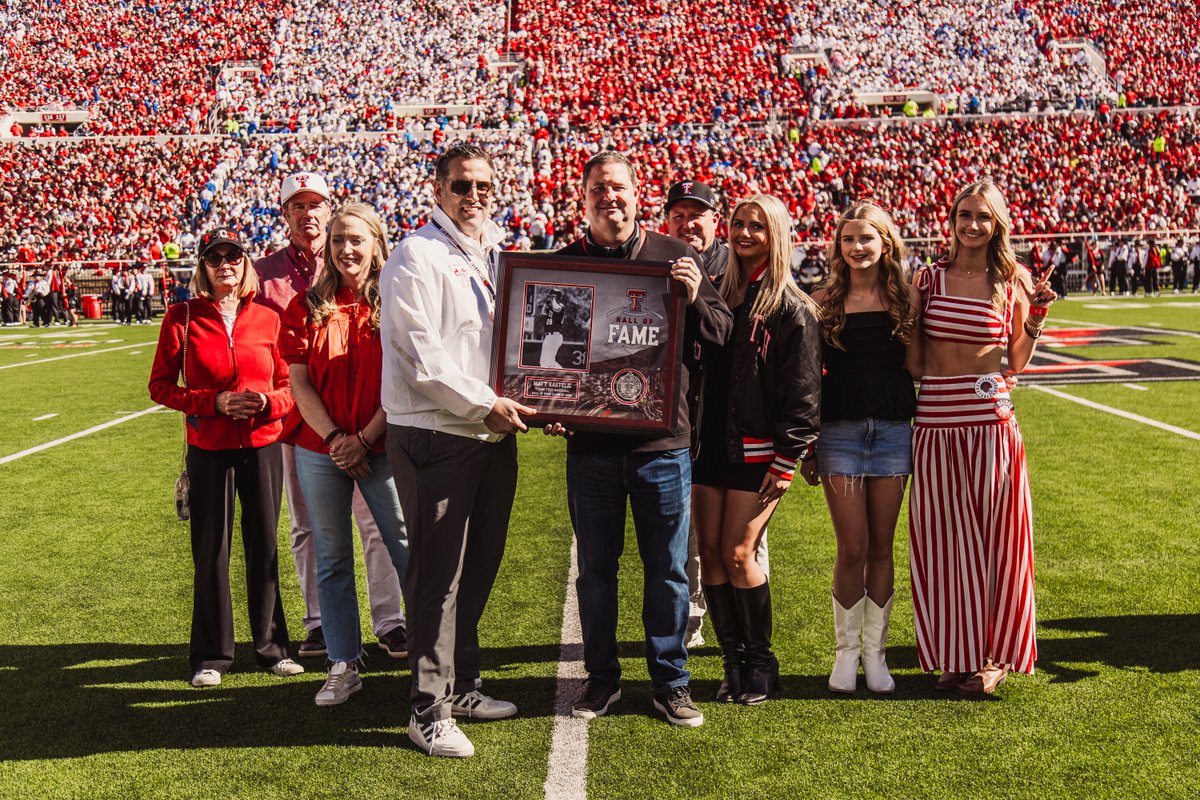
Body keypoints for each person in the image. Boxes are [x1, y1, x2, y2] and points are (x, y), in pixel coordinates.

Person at [552, 151, 732, 727]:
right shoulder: (563, 263)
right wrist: (546, 404)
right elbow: (544, 354)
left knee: (670, 570)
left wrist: (698, 290)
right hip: (592, 448)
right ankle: (602, 680)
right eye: (599, 188)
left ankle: (670, 681)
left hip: (662, 445)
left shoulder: (677, 255)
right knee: (596, 571)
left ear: (638, 194)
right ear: (583, 199)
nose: (611, 197)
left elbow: (721, 334)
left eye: (620, 187)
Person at [381, 143, 533, 758]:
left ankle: (463, 683)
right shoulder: (415, 254)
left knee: (479, 565)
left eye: (484, 186)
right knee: (437, 575)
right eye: (462, 185)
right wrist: (485, 404)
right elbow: (421, 359)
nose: (475, 196)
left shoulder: (497, 253)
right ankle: (428, 707)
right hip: (440, 430)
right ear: (438, 190)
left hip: (491, 433)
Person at [906, 180, 1056, 697]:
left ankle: (992, 656)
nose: (973, 225)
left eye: (984, 217)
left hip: (991, 419)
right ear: (952, 219)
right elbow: (915, 360)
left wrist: (1036, 315)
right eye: (965, 214)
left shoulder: (1013, 279)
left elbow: (1016, 361)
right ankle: (955, 652)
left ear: (998, 225)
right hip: (934, 418)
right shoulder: (925, 279)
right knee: (942, 541)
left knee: (996, 540)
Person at [254, 172, 408, 662]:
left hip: (373, 432)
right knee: (314, 532)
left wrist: (361, 437)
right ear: (286, 215)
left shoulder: (390, 289)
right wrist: (337, 436)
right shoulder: (270, 278)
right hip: (308, 428)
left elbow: (403, 370)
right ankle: (325, 631)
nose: (309, 214)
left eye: (315, 204)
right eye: (297, 206)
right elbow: (283, 364)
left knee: (387, 531)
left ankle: (393, 623)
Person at [148, 228, 304, 688]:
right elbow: (160, 386)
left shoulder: (270, 316)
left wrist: (266, 404)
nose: (225, 265)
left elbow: (290, 386)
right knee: (211, 550)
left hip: (262, 443)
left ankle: (272, 648)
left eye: (232, 257)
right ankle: (211, 656)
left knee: (264, 545)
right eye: (214, 258)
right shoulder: (181, 316)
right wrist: (210, 403)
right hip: (209, 448)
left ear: (245, 264)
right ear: (203, 267)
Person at [692, 194, 821, 706]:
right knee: (710, 558)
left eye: (757, 227)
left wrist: (787, 460)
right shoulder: (716, 295)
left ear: (777, 236)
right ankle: (733, 662)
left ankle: (761, 664)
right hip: (708, 449)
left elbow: (804, 397)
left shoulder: (793, 307)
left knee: (740, 554)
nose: (745, 234)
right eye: (739, 224)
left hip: (759, 451)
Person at [803, 203, 916, 694]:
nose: (857, 248)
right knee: (851, 548)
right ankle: (845, 654)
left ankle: (876, 655)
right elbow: (807, 379)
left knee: (882, 547)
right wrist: (807, 445)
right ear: (838, 247)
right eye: (848, 240)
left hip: (893, 431)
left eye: (867, 239)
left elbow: (918, 367)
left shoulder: (906, 298)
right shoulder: (822, 300)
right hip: (840, 434)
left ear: (885, 243)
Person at [665, 178, 770, 650]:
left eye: (698, 214)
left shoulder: (740, 267)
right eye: (679, 215)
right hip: (685, 419)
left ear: (716, 220)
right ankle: (694, 614)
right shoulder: (657, 260)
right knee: (691, 532)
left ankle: (750, 629)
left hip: (737, 422)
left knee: (744, 535)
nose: (688, 223)